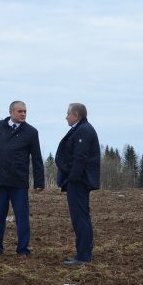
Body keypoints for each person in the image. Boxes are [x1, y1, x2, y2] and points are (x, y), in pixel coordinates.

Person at [0, 100, 45, 256]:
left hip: (19, 181)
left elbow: (36, 158)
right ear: (11, 112)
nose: (23, 114)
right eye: (20, 111)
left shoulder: (31, 132)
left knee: (22, 217)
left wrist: (39, 182)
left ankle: (23, 249)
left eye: (25, 111)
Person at [55, 103, 100, 266]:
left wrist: (72, 178)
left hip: (79, 182)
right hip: (78, 181)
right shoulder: (81, 129)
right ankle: (84, 253)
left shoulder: (83, 130)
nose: (66, 117)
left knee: (80, 218)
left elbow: (79, 158)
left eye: (68, 114)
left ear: (76, 115)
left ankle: (83, 256)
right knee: (81, 217)